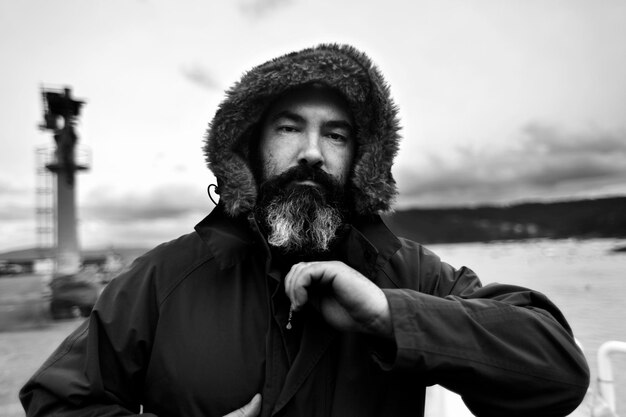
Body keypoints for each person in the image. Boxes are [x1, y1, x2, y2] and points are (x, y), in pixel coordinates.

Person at [20, 44, 589, 417]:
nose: (313, 153)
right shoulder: (162, 280)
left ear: (362, 158)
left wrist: (390, 316)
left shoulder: (411, 273)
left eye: (336, 135)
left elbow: (557, 373)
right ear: (249, 146)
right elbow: (57, 400)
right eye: (289, 128)